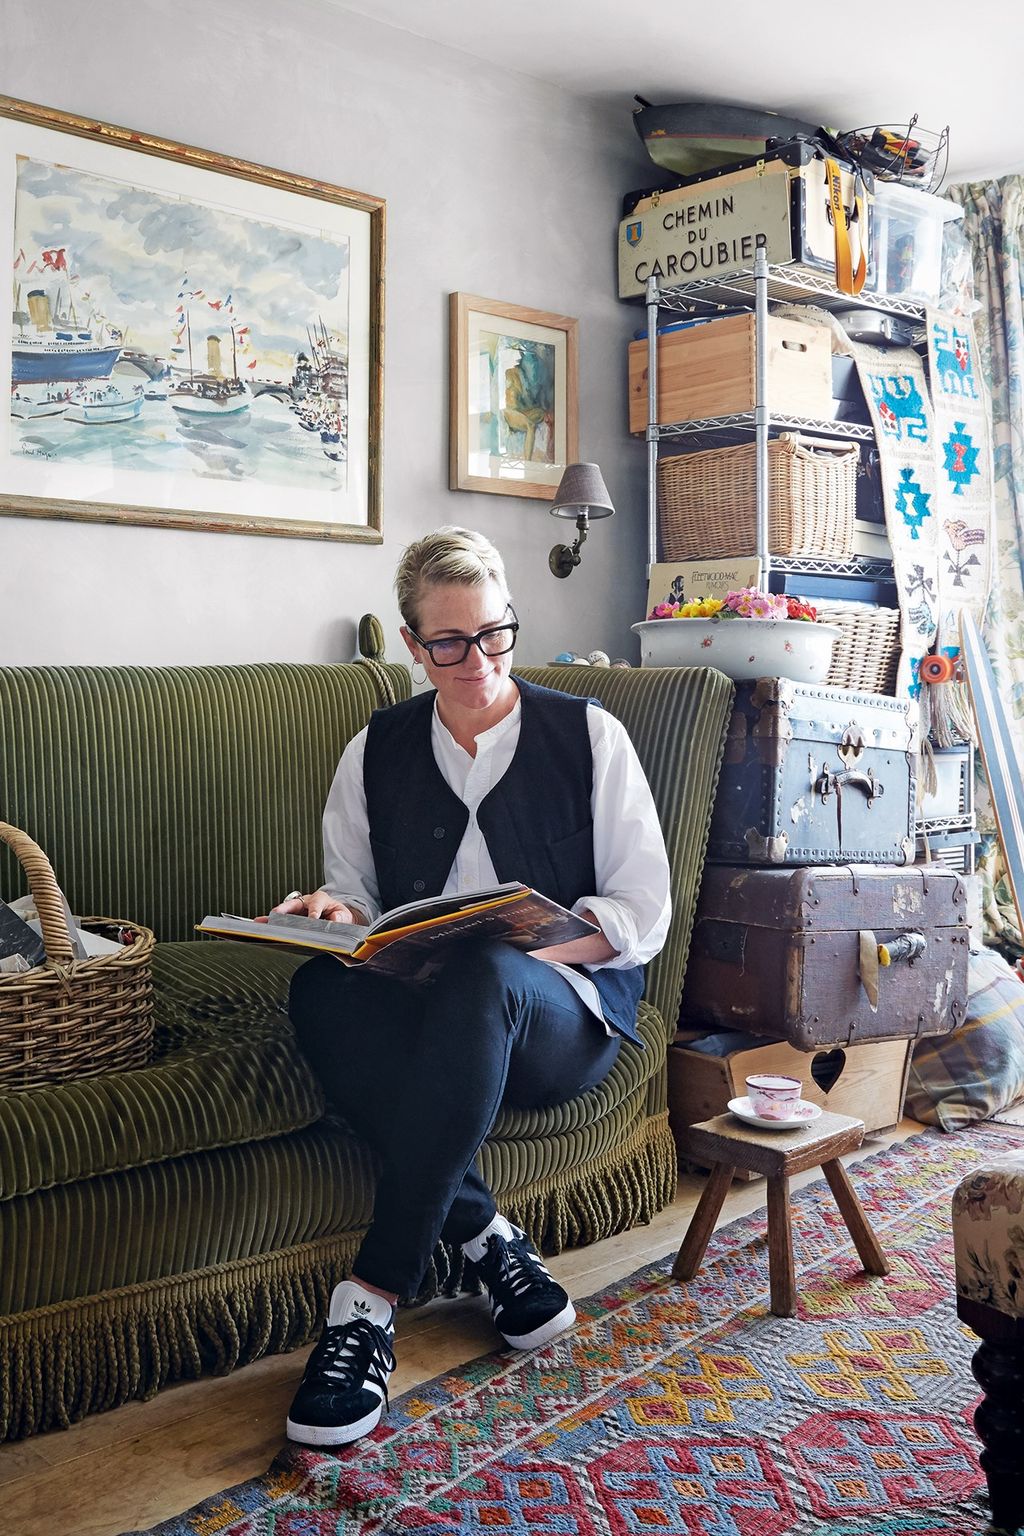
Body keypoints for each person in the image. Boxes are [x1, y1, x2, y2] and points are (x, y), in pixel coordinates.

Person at [276, 525, 671, 1448]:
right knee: (318, 989)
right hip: (436, 1020)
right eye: (449, 643)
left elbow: (643, 912)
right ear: (412, 646)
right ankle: (491, 1241)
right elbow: (358, 896)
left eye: (495, 633)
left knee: (486, 972)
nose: (479, 661)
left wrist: (537, 947)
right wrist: (332, 914)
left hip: (562, 1020)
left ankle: (370, 1302)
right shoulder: (374, 750)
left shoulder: (589, 735)